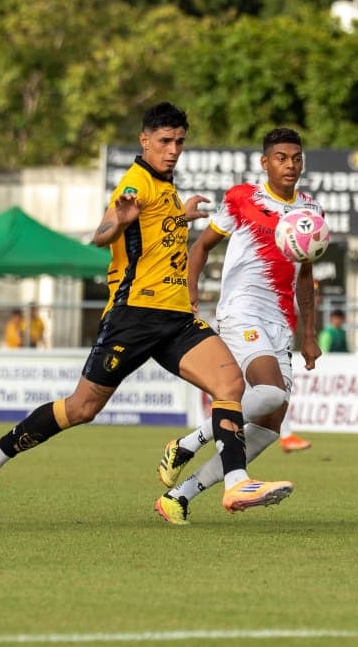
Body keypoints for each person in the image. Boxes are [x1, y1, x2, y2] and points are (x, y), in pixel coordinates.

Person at [0, 102, 293, 521]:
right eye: (164, 142)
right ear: (144, 141)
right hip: (134, 316)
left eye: (179, 142)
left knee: (230, 384)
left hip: (175, 317)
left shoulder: (166, 187)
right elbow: (100, 236)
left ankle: (235, 483)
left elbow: (158, 231)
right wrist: (117, 221)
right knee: (82, 408)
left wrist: (182, 213)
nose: (172, 149)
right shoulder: (135, 184)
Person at [152, 127, 322, 525]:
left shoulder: (310, 211)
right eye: (281, 157)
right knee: (268, 392)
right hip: (241, 313)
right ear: (265, 162)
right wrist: (189, 293)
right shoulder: (242, 199)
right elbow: (201, 246)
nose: (290, 165)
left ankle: (179, 495)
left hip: (281, 324)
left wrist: (309, 334)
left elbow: (306, 276)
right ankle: (189, 442)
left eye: (296, 158)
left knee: (269, 425)